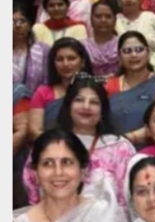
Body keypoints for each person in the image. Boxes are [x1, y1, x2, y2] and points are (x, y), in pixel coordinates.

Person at [25, 77, 136, 211]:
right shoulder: (48, 143)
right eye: (79, 100)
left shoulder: (119, 147)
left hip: (108, 221)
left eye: (94, 102)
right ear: (68, 106)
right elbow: (32, 187)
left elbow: (128, 197)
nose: (86, 107)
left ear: (102, 111)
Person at [107, 32, 155, 146]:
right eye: (127, 51)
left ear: (148, 53)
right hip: (114, 151)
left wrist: (126, 139)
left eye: (139, 49)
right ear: (119, 57)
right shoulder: (109, 86)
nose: (134, 55)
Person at [29, 37, 94, 139]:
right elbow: (35, 130)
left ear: (83, 62)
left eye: (71, 58)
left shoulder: (95, 91)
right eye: (60, 59)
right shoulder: (43, 92)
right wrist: (57, 146)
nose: (65, 64)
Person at [13, 4, 51, 96]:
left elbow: (48, 81)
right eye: (12, 22)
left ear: (30, 25)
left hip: (36, 100)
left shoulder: (42, 50)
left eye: (22, 21)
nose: (18, 26)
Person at [83, 0, 120, 80]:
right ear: (91, 20)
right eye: (98, 16)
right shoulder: (82, 46)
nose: (103, 20)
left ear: (115, 20)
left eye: (108, 16)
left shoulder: (122, 44)